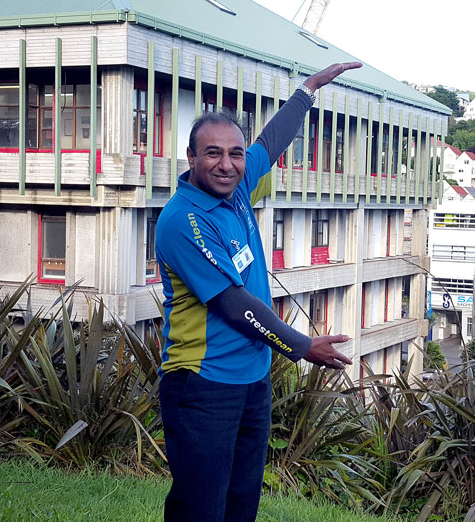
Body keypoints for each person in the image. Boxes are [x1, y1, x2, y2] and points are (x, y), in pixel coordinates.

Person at [155, 61, 362, 522]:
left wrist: (307, 91)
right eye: (212, 153)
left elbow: (272, 142)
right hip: (203, 382)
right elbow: (232, 305)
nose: (226, 164)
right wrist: (302, 346)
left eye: (235, 153)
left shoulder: (239, 186)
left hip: (252, 378)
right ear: (191, 158)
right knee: (200, 508)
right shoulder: (183, 221)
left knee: (241, 503)